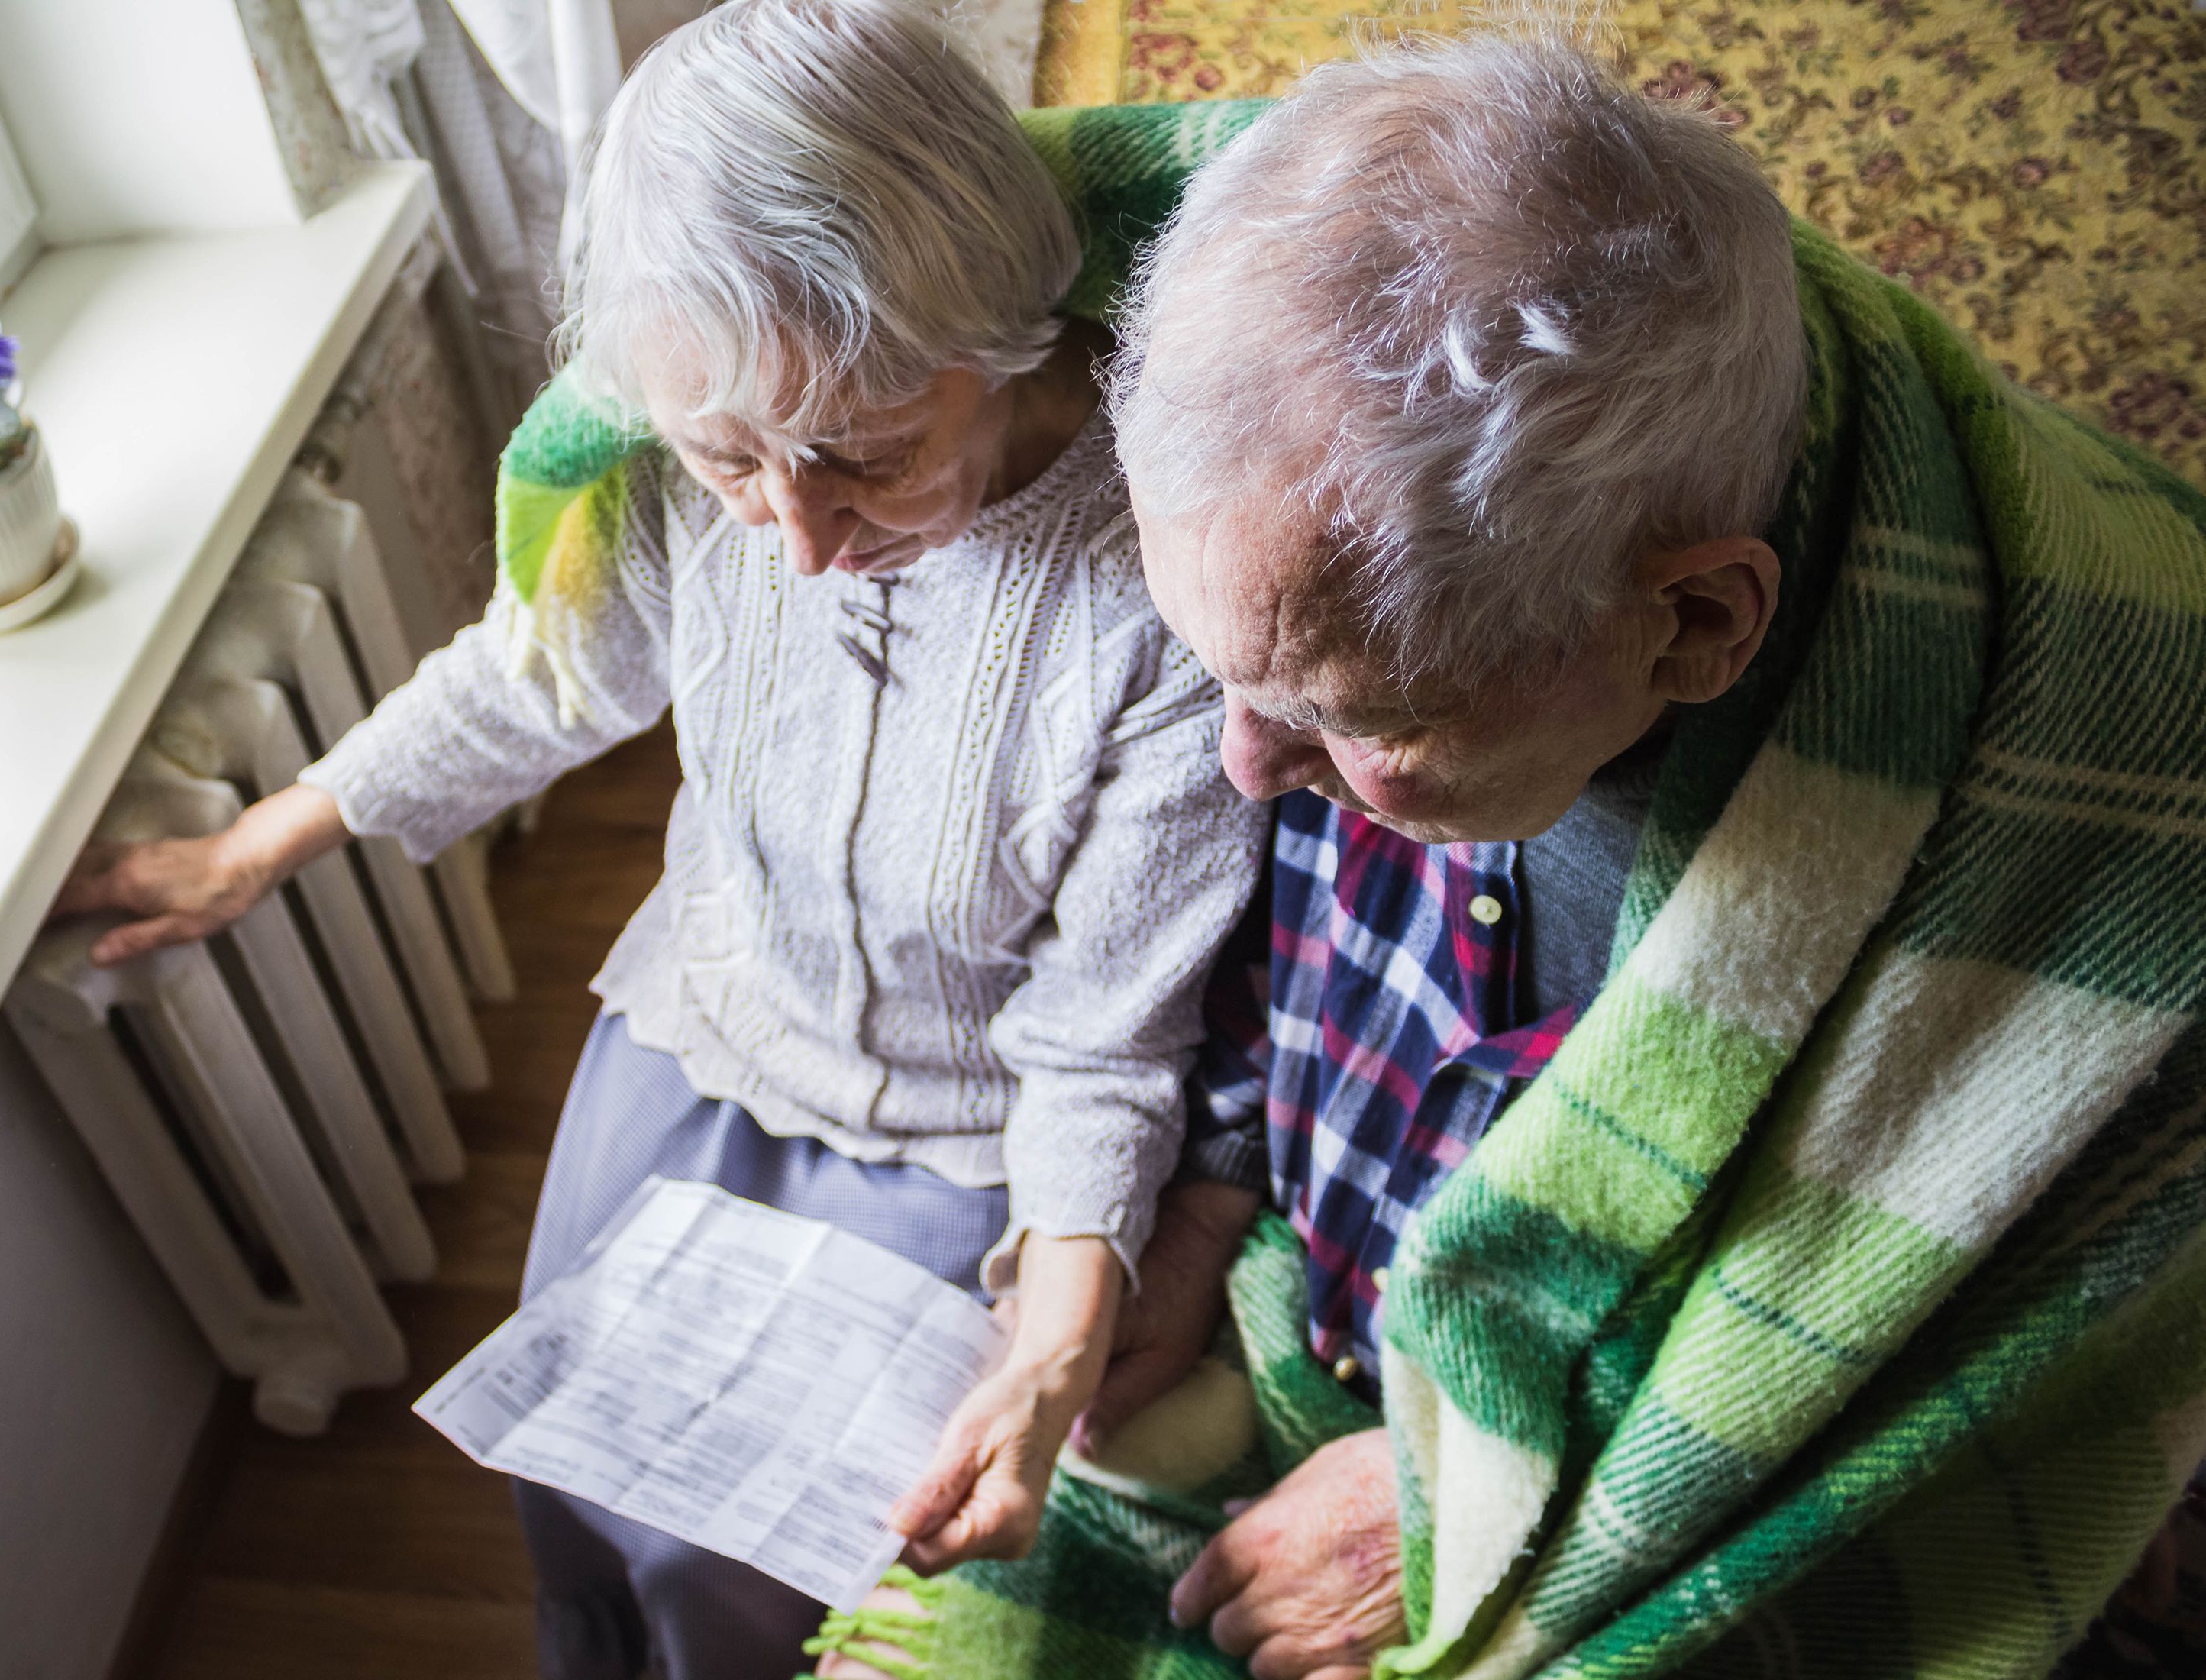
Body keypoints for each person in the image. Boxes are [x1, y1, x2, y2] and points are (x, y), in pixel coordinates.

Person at [810, 35, 2206, 1680]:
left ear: (1691, 620)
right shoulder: (1320, 471)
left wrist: (1444, 1495)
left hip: (1609, 1473)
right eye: (1223, 678)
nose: (1248, 766)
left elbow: (1910, 1378)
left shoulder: (2114, 823)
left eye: (1351, 715)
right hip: (1289, 1319)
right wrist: (1200, 1199)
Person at [55, 4, 1264, 1676]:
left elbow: (1104, 1031)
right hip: (705, 1029)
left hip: (965, 1140)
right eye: (728, 461)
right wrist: (256, 843)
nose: (799, 532)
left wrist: (1061, 1339)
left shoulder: (1162, 599)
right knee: (572, 1468)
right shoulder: (691, 482)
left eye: (869, 458)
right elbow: (534, 680)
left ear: (1006, 336)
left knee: (755, 1570)